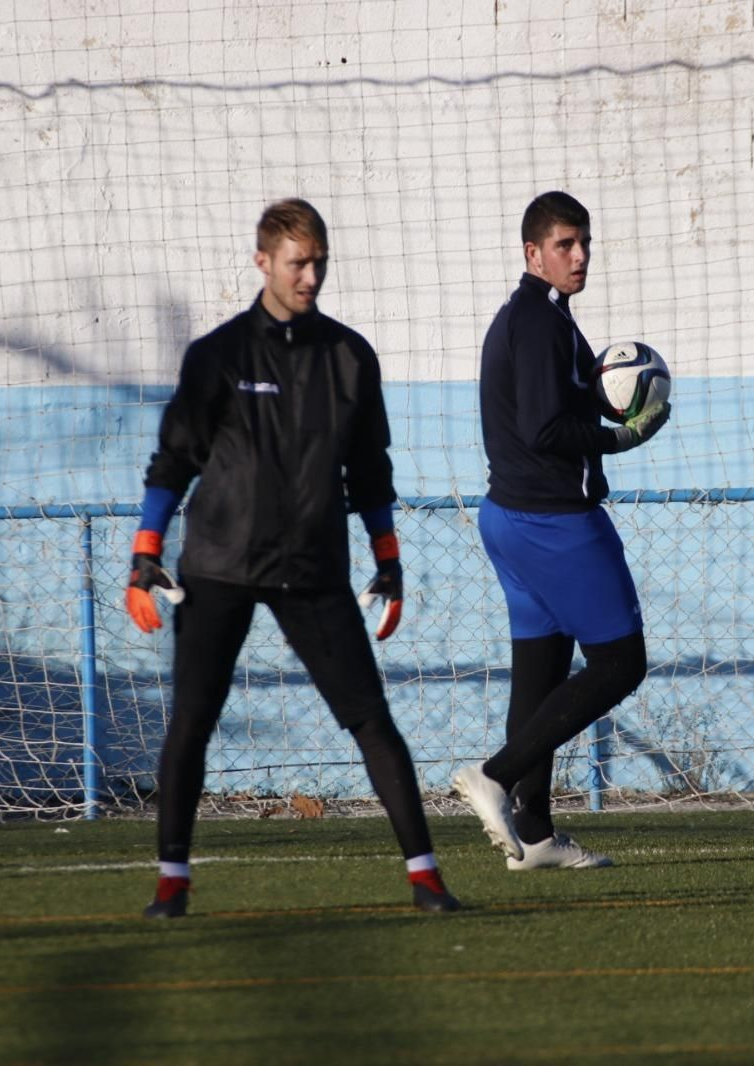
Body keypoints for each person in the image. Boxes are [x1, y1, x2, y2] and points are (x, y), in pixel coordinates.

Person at [125, 197, 460, 917]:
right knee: (192, 721)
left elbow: (371, 469)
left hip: (313, 572)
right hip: (218, 565)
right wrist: (144, 551)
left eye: (319, 263)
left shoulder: (348, 357)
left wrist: (389, 557)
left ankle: (427, 879)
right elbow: (173, 458)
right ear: (263, 262)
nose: (310, 277)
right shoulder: (217, 355)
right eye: (297, 263)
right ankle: (172, 884)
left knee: (371, 720)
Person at [451, 191, 671, 870]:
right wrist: (621, 435)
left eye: (585, 243)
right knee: (621, 662)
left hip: (509, 519)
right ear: (533, 253)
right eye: (565, 244)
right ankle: (495, 775)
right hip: (552, 521)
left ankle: (537, 835)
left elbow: (545, 411)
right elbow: (546, 429)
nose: (579, 256)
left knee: (540, 677)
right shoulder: (539, 323)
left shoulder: (534, 319)